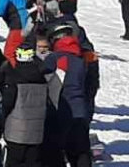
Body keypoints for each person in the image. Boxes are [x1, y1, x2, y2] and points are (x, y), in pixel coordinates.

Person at [44, 25, 93, 167]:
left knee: (55, 151)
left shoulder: (53, 59)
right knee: (81, 151)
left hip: (60, 110)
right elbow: (89, 86)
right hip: (80, 110)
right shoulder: (81, 60)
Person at [0, 46, 50, 167]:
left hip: (16, 130)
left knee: (14, 161)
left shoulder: (13, 77)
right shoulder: (42, 78)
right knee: (33, 161)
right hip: (36, 131)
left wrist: (0, 123)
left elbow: (7, 104)